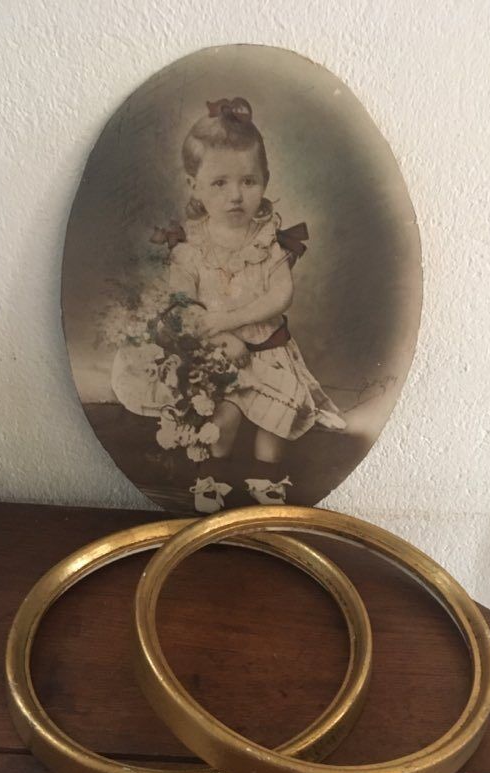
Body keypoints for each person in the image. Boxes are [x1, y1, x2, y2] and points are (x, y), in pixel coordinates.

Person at [166, 97, 345, 500]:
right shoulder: (191, 248)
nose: (235, 196)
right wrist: (214, 334)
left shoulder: (267, 240)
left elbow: (281, 296)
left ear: (265, 179)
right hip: (218, 353)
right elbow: (181, 303)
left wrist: (231, 320)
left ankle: (266, 481)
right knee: (222, 420)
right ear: (193, 185)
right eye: (219, 183)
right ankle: (209, 481)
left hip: (267, 350)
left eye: (248, 181)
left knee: (274, 420)